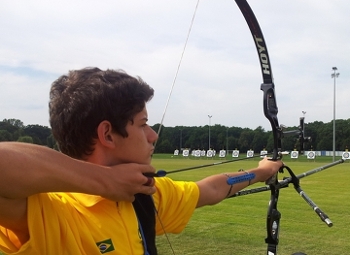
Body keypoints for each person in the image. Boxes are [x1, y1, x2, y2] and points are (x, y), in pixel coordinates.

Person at [0, 67, 282, 255]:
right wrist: (105, 182)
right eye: (143, 124)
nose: (153, 135)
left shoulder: (144, 194)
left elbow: (211, 189)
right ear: (108, 134)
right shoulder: (49, 211)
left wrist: (260, 172)